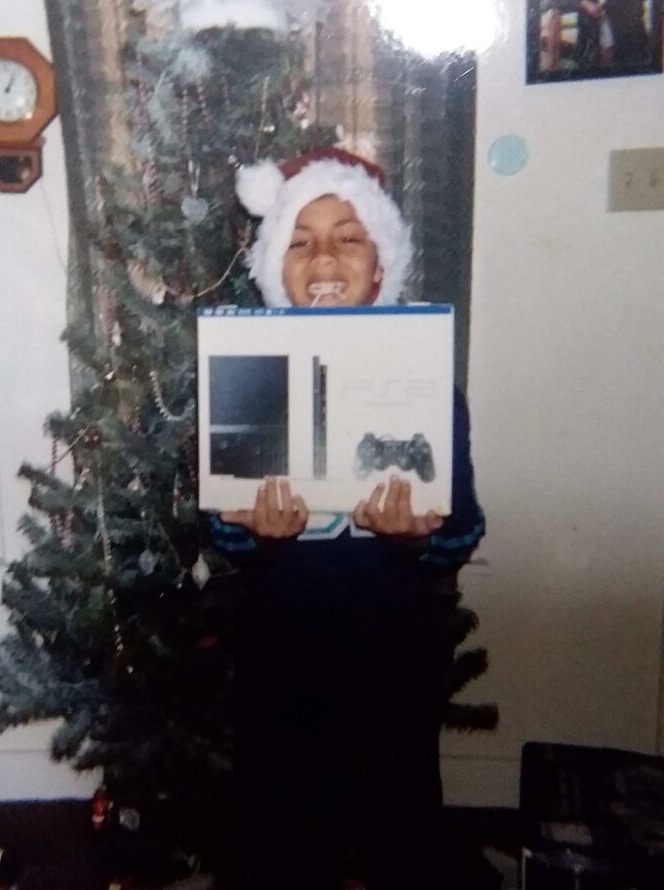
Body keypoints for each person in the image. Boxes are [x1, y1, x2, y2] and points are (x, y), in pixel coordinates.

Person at [212, 147, 486, 890]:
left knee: (401, 827)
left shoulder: (430, 388)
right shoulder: (252, 376)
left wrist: (421, 537)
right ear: (277, 268)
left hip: (391, 644)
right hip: (283, 643)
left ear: (379, 266)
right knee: (279, 833)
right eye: (299, 240)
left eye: (349, 236)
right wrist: (251, 531)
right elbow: (226, 528)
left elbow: (463, 529)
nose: (324, 255)